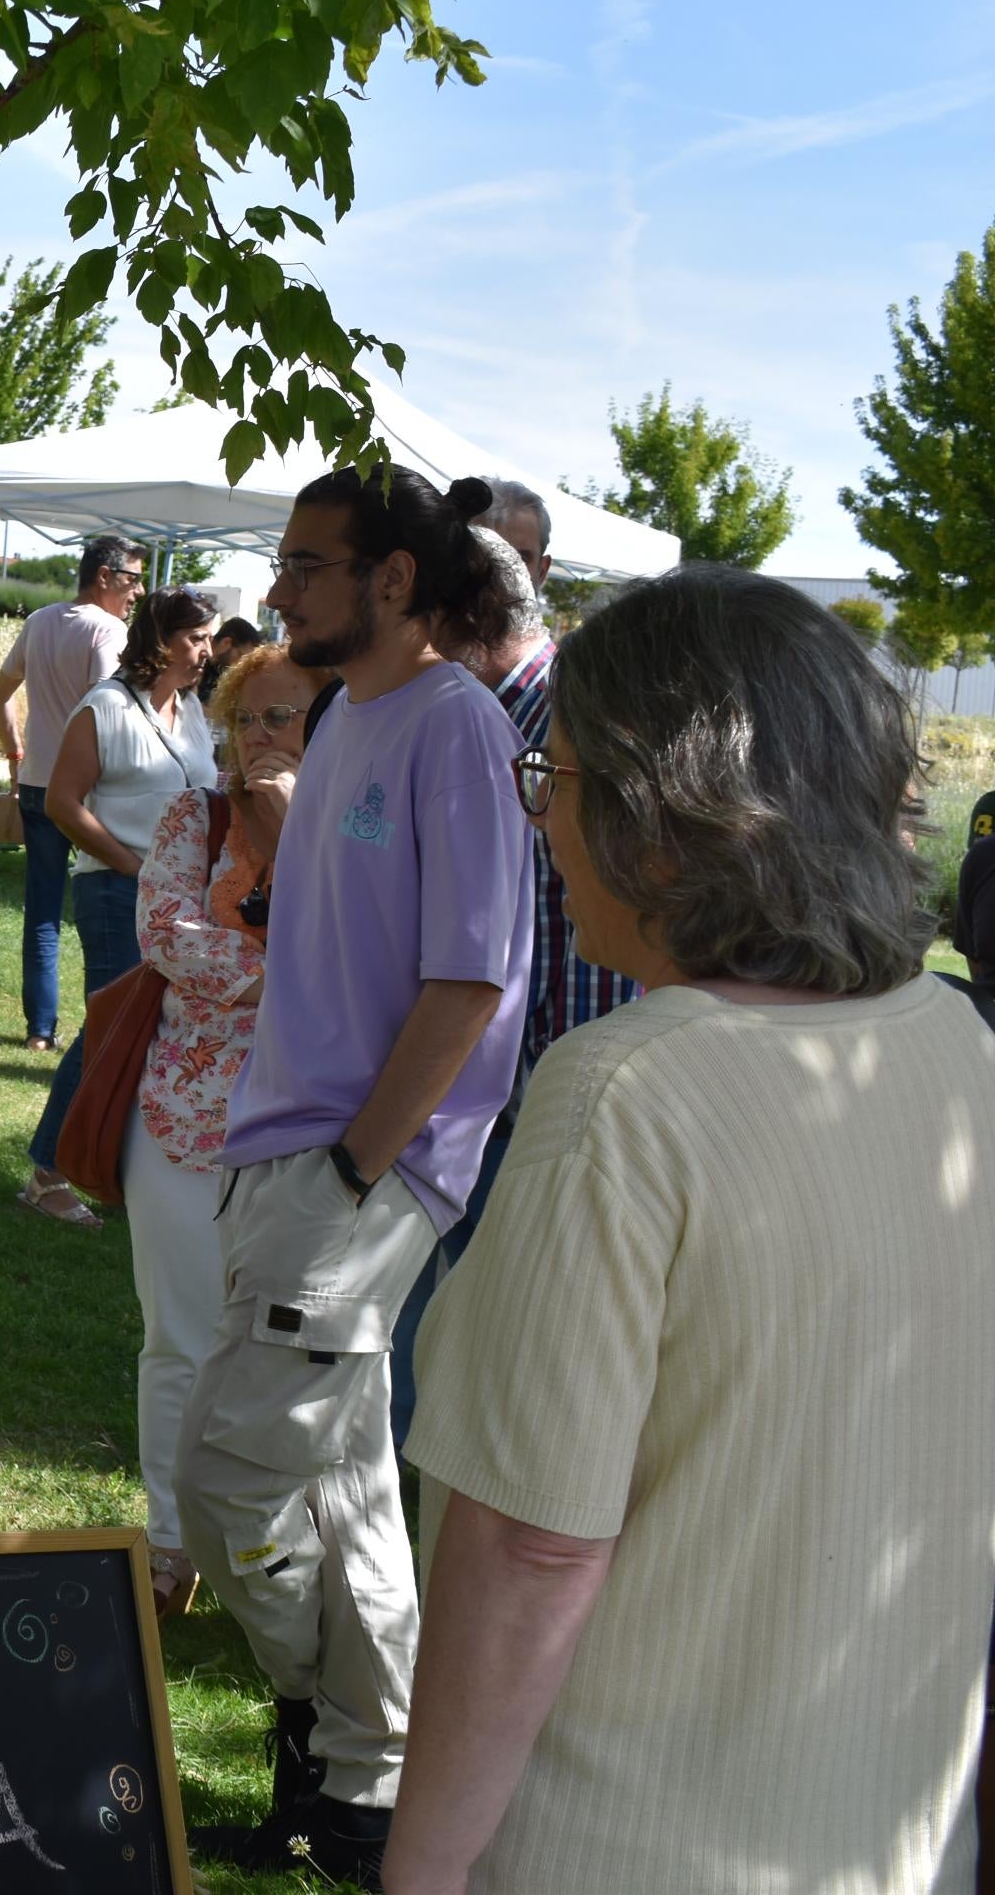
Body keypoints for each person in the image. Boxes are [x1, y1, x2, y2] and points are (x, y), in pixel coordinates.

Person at [385, 567, 995, 1895]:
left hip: (625, 1851)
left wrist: (419, 1871)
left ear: (663, 823)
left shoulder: (623, 1093)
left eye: (562, 783)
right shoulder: (960, 1048)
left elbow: (528, 1547)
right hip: (895, 1843)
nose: (546, 826)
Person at [179, 467, 533, 1882]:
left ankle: (328, 1734)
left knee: (229, 1474)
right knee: (338, 1492)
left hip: (358, 1177)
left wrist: (351, 1169)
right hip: (287, 1153)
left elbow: (473, 982)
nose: (279, 592)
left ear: (396, 580)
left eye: (309, 567)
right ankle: (360, 1788)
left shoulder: (455, 729)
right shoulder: (340, 718)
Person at [389, 481, 637, 1450]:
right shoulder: (465, 713)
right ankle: (405, 1462)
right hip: (482, 1061)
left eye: (424, 620)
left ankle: (468, 1463)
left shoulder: (587, 709)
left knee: (539, 1295)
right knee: (439, 1272)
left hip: (574, 1052)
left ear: (464, 618)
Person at [121, 641, 331, 1617]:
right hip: (181, 1114)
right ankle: (168, 1545)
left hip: (310, 1131)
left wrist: (293, 832)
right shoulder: (194, 815)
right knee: (177, 1339)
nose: (257, 736)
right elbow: (166, 936)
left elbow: (356, 951)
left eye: (281, 717)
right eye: (245, 717)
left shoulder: (350, 834)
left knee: (281, 1352)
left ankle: (266, 1549)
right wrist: (273, 972)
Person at [16, 584, 218, 1226]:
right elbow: (61, 804)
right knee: (112, 1026)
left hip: (176, 898)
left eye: (210, 638)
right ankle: (48, 1173)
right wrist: (134, 865)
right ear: (160, 642)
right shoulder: (103, 708)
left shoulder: (190, 712)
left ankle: (117, 1166)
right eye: (196, 638)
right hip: (113, 889)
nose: (208, 652)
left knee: (146, 1028)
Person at [0, 535, 142, 1053]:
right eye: (132, 580)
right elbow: (108, 708)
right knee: (109, 907)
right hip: (86, 794)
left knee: (43, 914)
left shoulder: (39, 622)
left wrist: (16, 753)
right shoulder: (108, 630)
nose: (138, 592)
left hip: (36, 785)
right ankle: (108, 1027)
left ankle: (40, 1032)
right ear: (104, 576)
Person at [196, 615, 263, 703]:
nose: (241, 664)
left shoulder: (219, 670)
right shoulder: (196, 662)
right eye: (241, 656)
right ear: (226, 643)